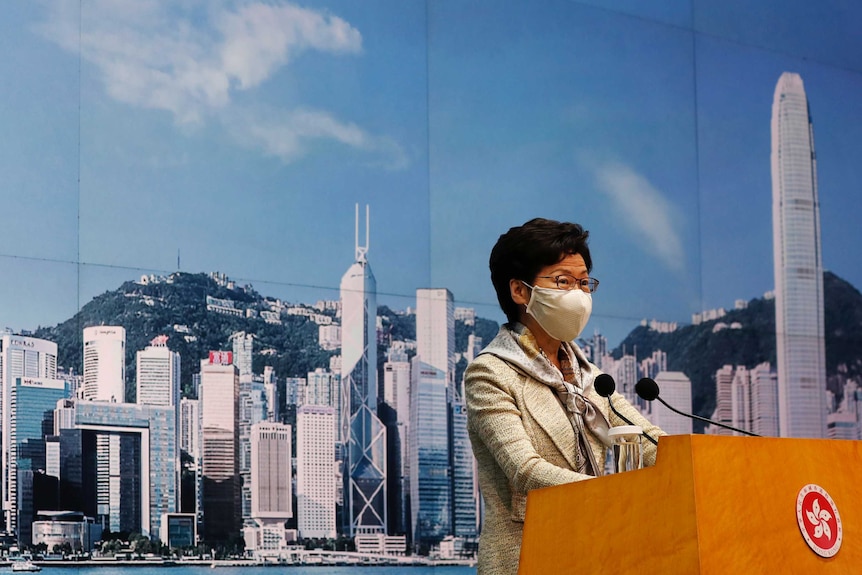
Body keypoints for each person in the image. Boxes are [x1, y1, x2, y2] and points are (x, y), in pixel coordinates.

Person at [465, 218, 665, 575]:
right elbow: (525, 471)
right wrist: (616, 496)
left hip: (596, 553)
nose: (579, 294)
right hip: (527, 558)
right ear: (519, 291)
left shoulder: (591, 377)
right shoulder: (491, 373)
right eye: (563, 282)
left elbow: (649, 442)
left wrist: (698, 463)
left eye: (584, 283)